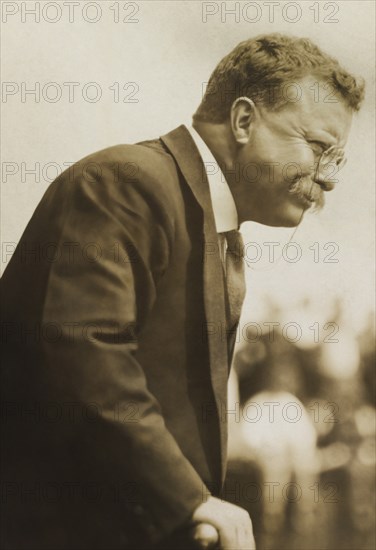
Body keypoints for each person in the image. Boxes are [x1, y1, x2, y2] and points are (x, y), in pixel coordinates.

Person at [0, 33, 364, 550]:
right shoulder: (125, 182)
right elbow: (84, 351)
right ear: (243, 121)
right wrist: (188, 499)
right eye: (319, 148)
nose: (327, 181)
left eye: (337, 162)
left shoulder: (216, 233)